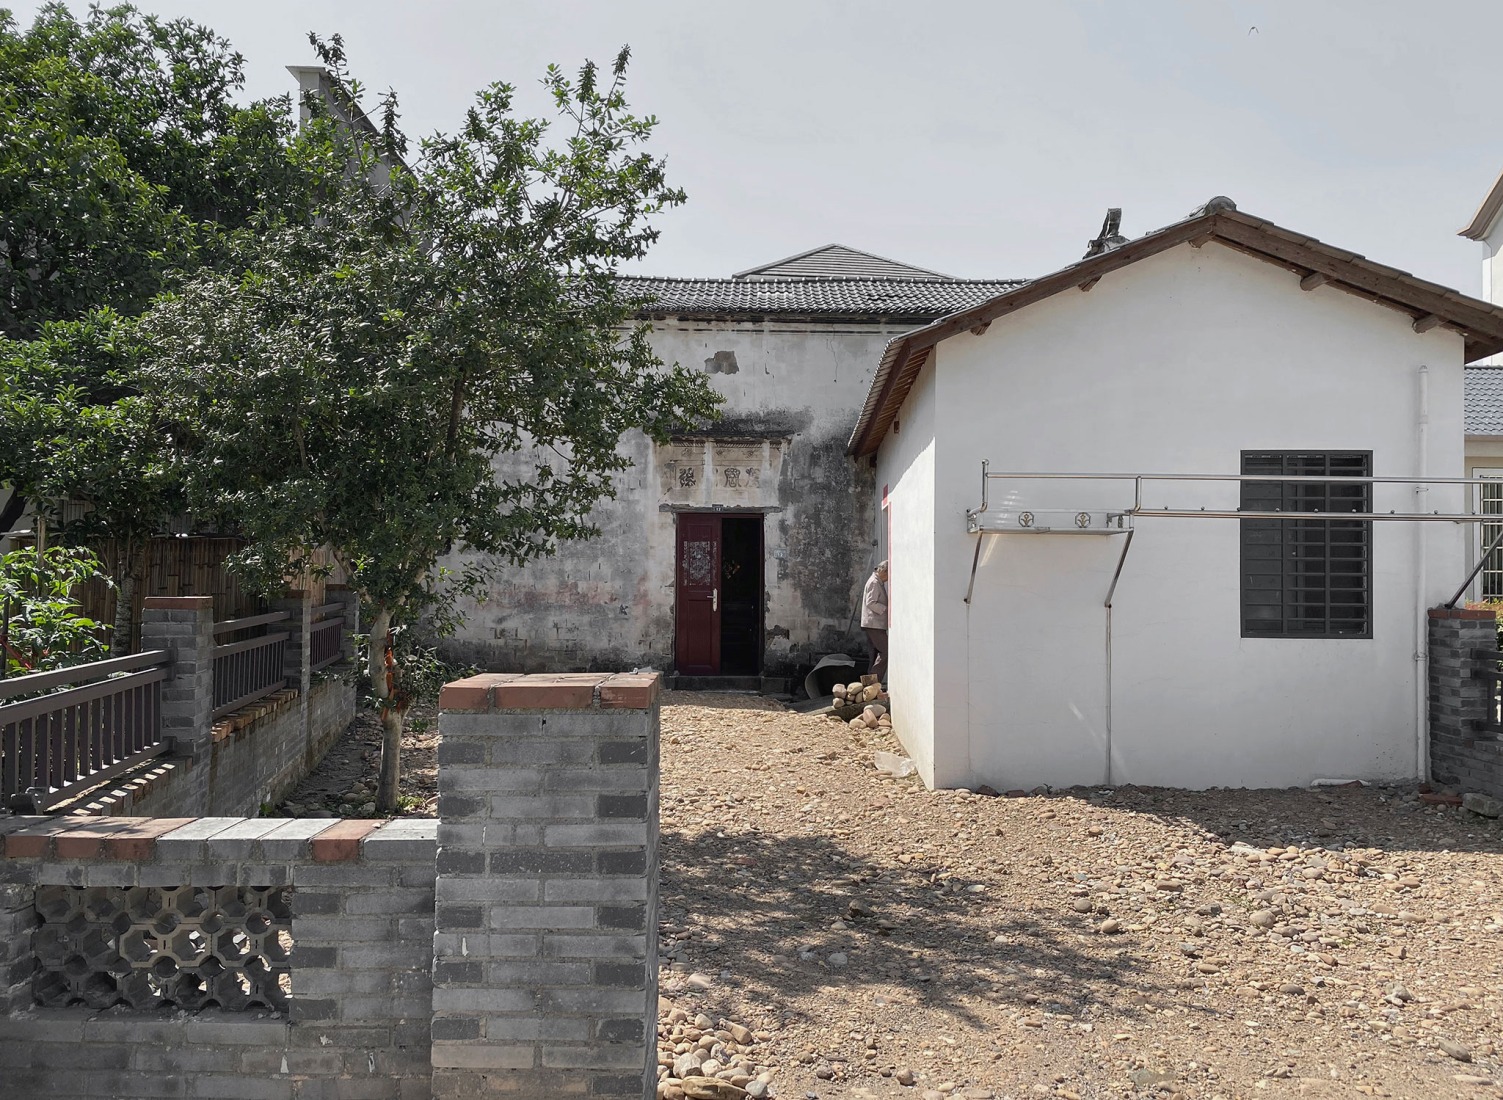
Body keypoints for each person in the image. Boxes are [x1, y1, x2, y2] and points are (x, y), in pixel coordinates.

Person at [861, 560, 888, 682]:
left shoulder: (876, 581)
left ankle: (869, 684)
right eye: (888, 575)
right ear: (883, 571)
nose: (888, 578)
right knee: (886, 651)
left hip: (873, 624)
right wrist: (886, 609)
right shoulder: (874, 582)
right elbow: (870, 602)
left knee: (874, 655)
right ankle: (874, 681)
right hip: (874, 624)